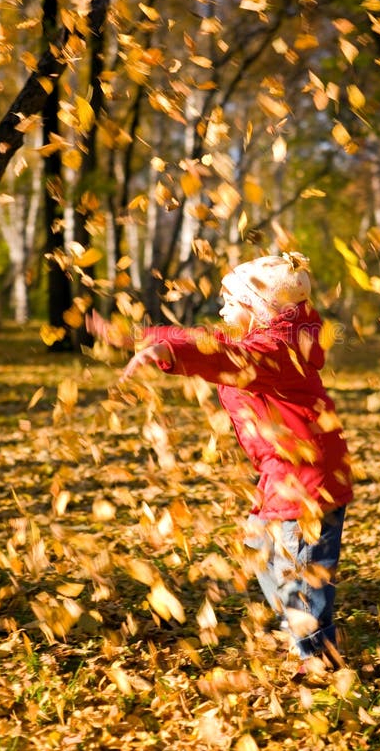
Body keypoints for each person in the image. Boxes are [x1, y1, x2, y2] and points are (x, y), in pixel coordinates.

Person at [87, 252, 353, 672]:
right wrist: (140, 338)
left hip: (307, 479)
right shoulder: (263, 338)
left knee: (301, 572)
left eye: (233, 302)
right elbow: (206, 340)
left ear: (259, 308)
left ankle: (318, 658)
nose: (223, 310)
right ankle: (303, 628)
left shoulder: (275, 350)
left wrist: (169, 355)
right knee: (261, 547)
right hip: (283, 471)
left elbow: (225, 359)